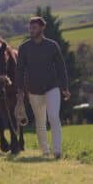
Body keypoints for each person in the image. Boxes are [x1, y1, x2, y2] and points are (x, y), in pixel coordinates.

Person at [15, 16, 71, 159]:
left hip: (52, 87)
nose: (31, 30)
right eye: (30, 28)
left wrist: (64, 87)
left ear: (41, 28)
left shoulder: (52, 46)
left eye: (34, 28)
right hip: (33, 90)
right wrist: (20, 91)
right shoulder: (24, 48)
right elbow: (20, 70)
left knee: (53, 116)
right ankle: (45, 150)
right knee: (40, 121)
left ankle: (57, 151)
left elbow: (61, 67)